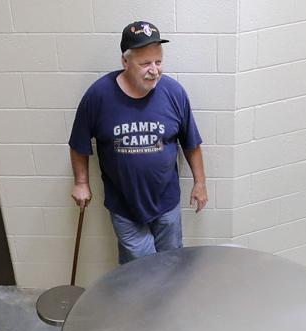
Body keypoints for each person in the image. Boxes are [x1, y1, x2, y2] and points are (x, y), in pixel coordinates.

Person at [69, 21, 205, 265]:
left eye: (158, 62)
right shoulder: (98, 96)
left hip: (166, 202)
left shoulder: (174, 93)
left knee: (171, 263)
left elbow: (191, 143)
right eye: (145, 64)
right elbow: (78, 143)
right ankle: (139, 304)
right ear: (125, 62)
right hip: (124, 205)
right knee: (139, 270)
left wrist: (200, 183)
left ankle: (169, 304)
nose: (154, 70)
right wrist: (81, 182)